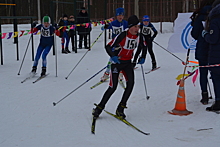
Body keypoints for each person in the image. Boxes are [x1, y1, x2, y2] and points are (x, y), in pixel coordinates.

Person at [92, 15, 147, 119]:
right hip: (117, 63)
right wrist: (113, 56)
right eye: (135, 26)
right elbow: (108, 46)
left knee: (130, 84)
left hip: (127, 63)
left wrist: (142, 57)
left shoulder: (140, 36)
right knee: (113, 87)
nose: (137, 29)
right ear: (130, 27)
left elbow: (144, 47)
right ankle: (99, 108)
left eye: (138, 26)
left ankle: (120, 108)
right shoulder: (122, 35)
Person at [191, 0, 215, 105]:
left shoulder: (199, 15)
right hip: (214, 48)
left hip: (202, 48)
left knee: (203, 73)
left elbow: (194, 34)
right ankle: (218, 96)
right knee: (216, 73)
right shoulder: (216, 14)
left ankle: (204, 95)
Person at [100, 7, 128, 82]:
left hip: (122, 45)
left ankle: (120, 73)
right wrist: (105, 27)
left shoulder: (125, 23)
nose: (120, 17)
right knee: (111, 59)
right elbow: (102, 28)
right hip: (114, 44)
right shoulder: (113, 23)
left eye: (122, 15)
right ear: (116, 16)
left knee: (122, 60)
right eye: (119, 15)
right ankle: (106, 74)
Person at [202, 0, 220, 111]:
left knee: (216, 78)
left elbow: (213, 39)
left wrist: (206, 35)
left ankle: (218, 101)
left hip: (216, 55)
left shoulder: (215, 20)